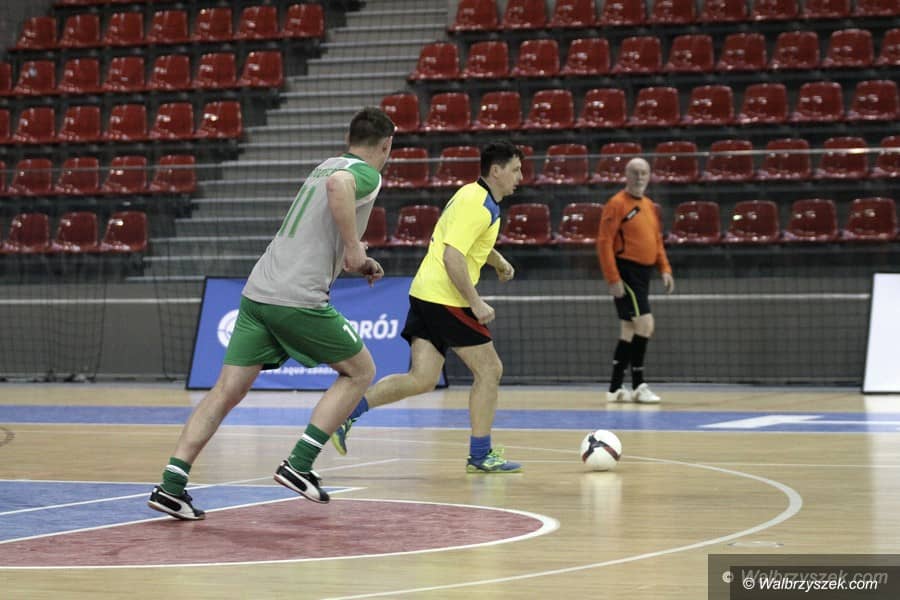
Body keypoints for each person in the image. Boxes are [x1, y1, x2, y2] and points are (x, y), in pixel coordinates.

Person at [148, 107, 395, 520]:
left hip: (259, 291)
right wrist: (354, 248)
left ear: (348, 139)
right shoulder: (363, 173)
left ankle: (171, 486)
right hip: (296, 297)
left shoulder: (325, 164)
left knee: (225, 391)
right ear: (386, 145)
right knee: (360, 371)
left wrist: (357, 257)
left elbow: (321, 221)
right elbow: (339, 187)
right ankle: (299, 463)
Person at [330, 141, 525, 473]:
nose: (520, 177)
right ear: (496, 171)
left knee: (422, 378)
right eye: (516, 170)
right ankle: (480, 455)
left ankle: (347, 413)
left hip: (425, 293)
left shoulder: (471, 195)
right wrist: (475, 303)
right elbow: (453, 257)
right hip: (446, 298)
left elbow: (467, 243)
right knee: (490, 370)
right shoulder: (478, 205)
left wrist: (498, 261)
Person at [596, 157, 674, 404]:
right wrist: (613, 278)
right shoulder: (617, 204)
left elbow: (656, 240)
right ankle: (639, 385)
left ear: (649, 176)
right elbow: (604, 242)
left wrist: (665, 269)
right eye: (635, 172)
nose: (639, 177)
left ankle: (615, 388)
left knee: (629, 329)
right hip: (626, 272)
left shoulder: (649, 205)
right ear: (626, 175)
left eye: (644, 173)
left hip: (644, 273)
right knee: (645, 325)